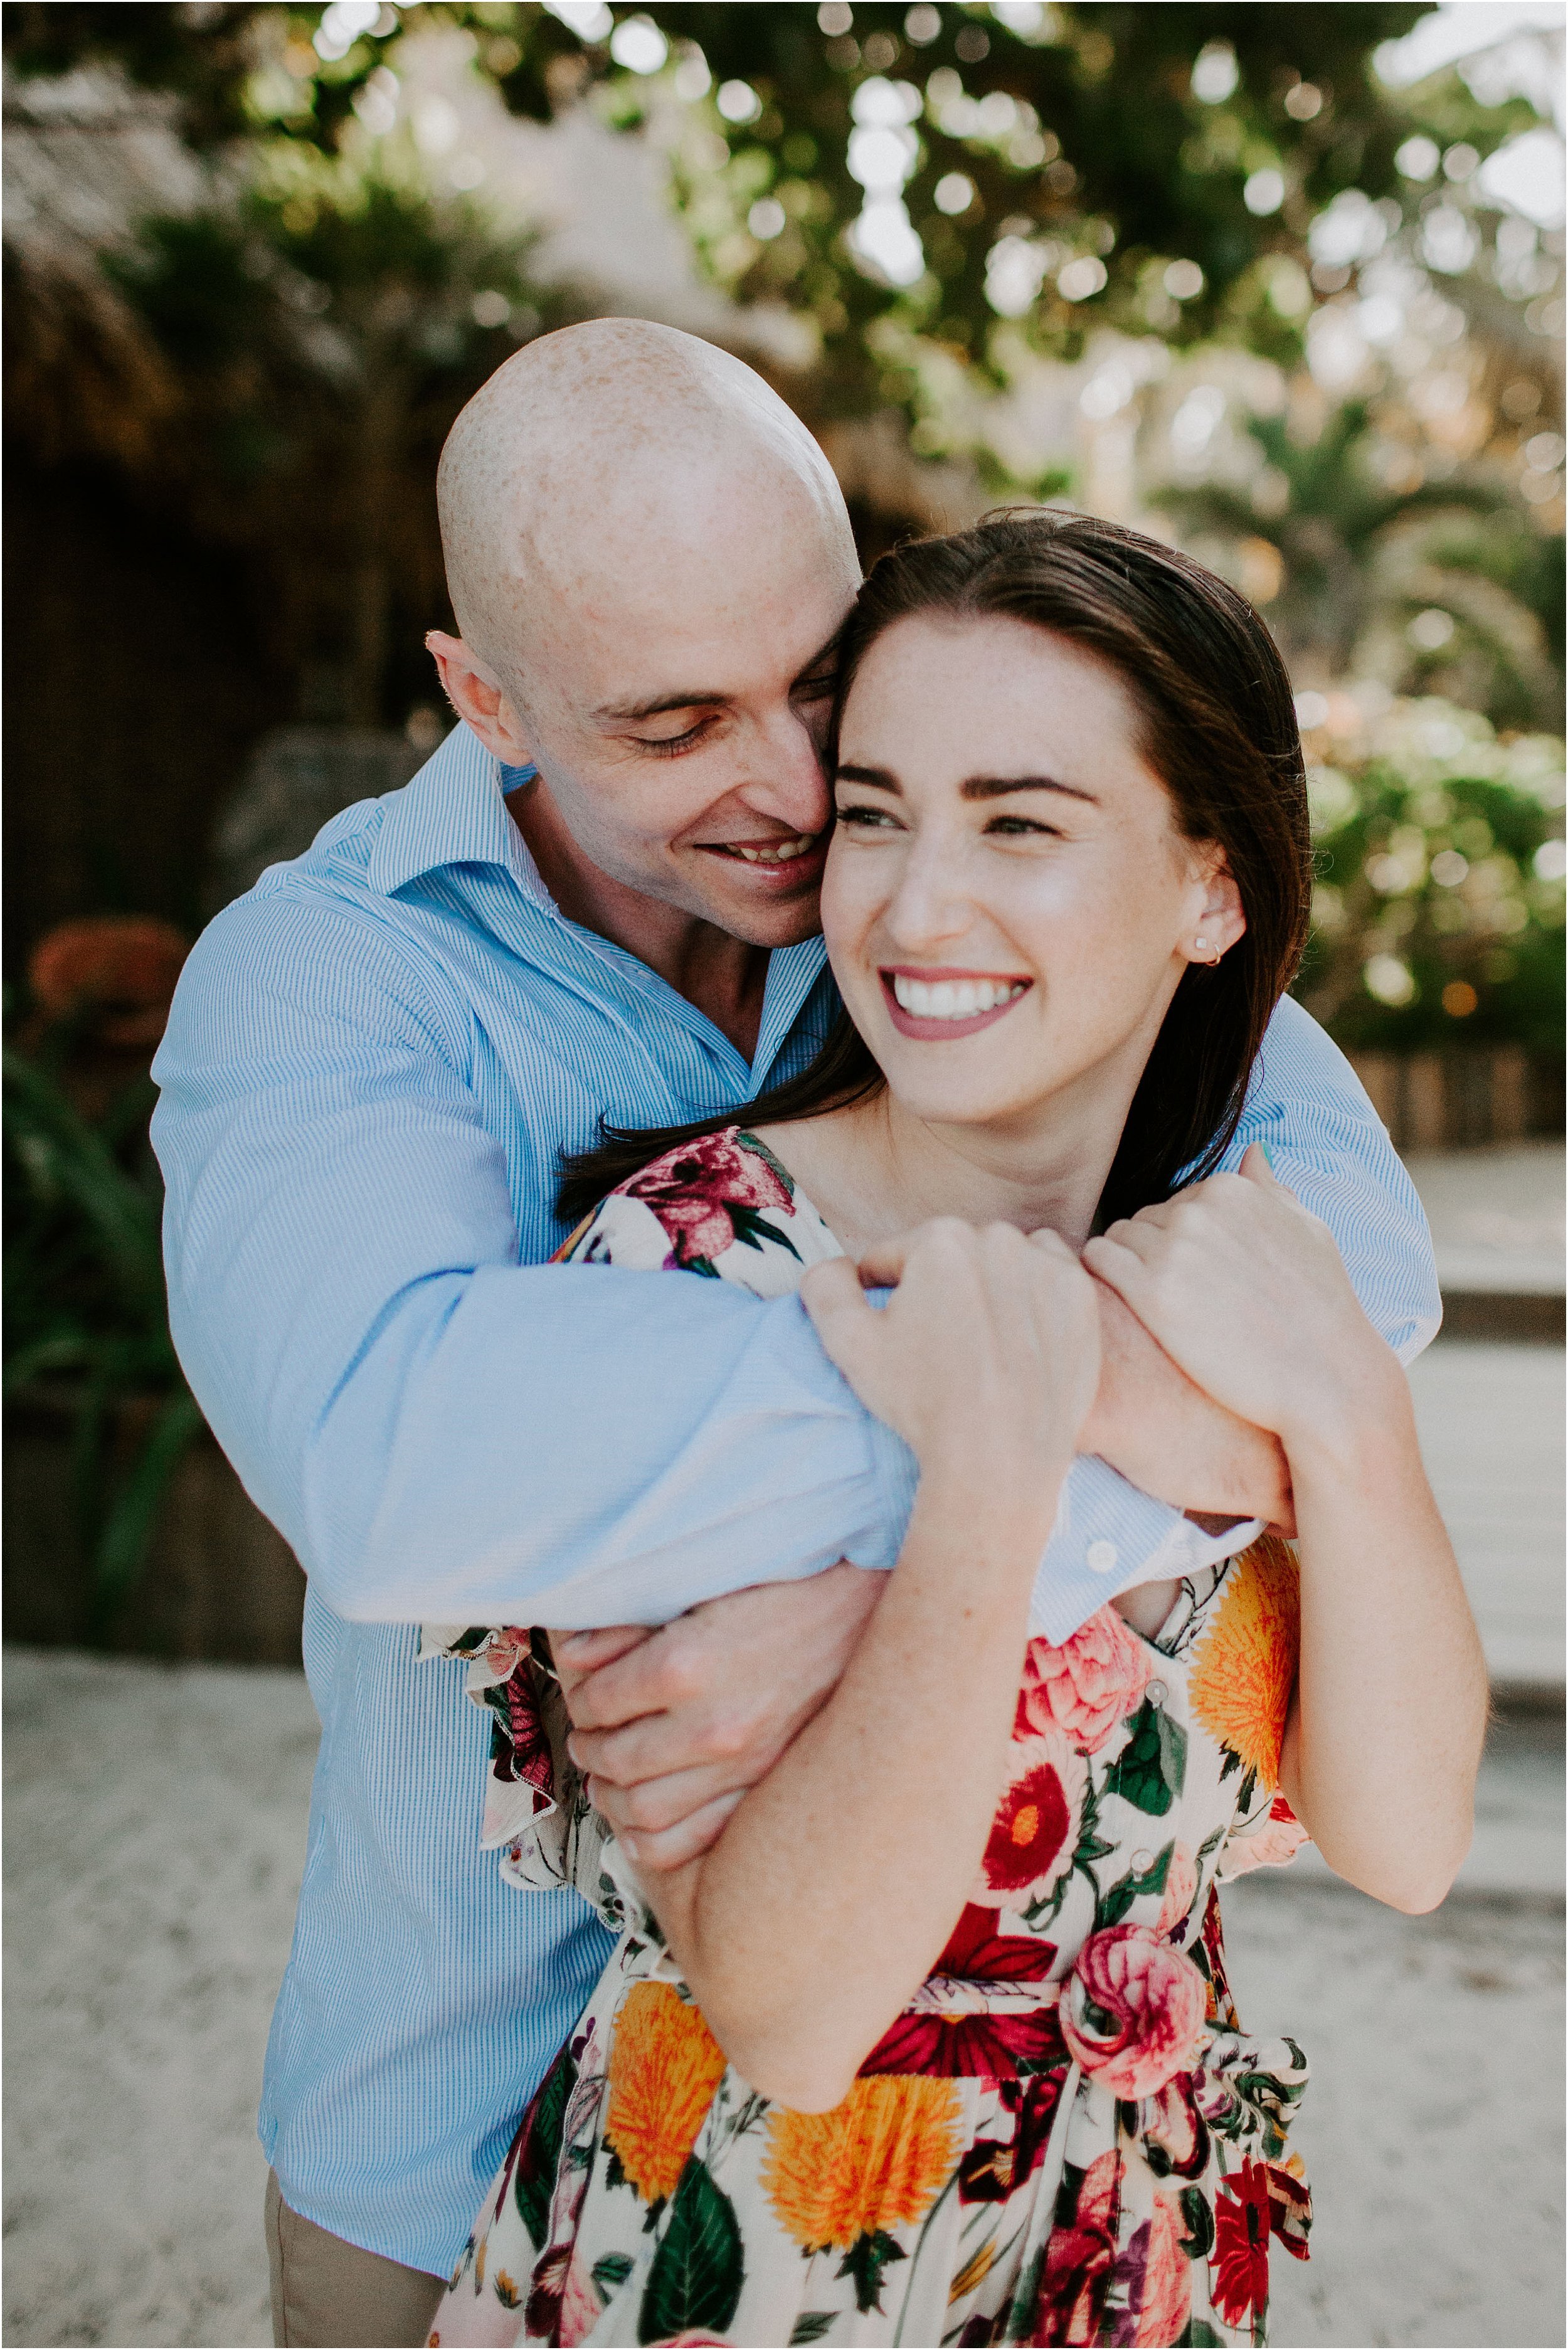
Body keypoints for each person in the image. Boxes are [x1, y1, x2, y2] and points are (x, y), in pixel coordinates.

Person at [149, 322, 1441, 2349]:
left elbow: (1352, 1274)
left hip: (1073, 2184)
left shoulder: (951, 908)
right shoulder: (324, 986)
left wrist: (956, 1534)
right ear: (484, 698)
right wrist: (983, 1463)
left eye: (816, 683)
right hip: (488, 2113)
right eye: (672, 725)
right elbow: (394, 1468)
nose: (789, 787)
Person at [427, 514, 1486, 2350]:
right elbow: (790, 2004)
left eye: (1018, 821)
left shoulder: (1242, 1270)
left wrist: (1340, 1415)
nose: (914, 909)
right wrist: (987, 1481)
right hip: (750, 2259)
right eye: (874, 811)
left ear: (1209, 887)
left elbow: (1403, 1838)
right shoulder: (691, 1273)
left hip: (1126, 2258)